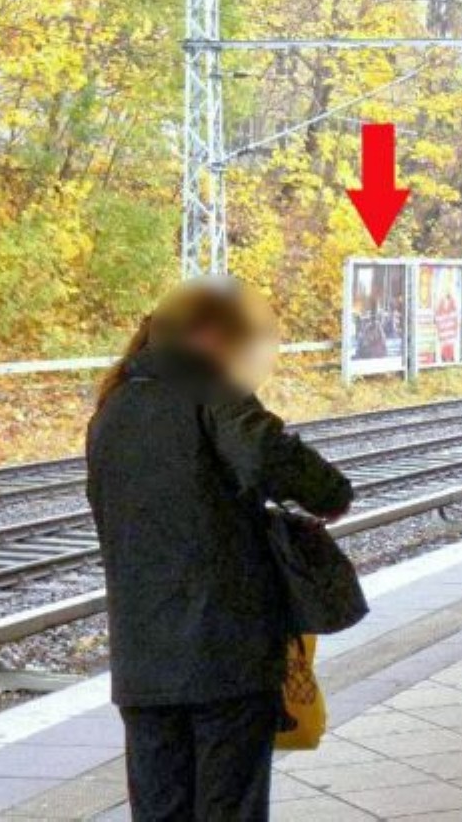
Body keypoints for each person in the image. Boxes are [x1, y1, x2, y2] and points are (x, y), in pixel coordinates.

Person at [87, 278, 354, 821]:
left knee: (159, 812)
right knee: (229, 809)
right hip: (225, 651)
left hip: (142, 660)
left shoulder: (112, 409)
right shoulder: (209, 391)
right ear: (207, 334)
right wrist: (331, 495)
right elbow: (266, 453)